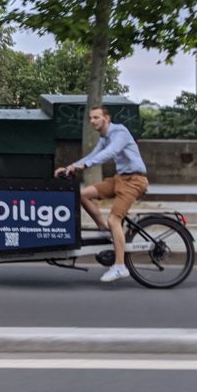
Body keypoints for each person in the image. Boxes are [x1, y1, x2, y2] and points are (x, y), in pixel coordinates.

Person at [54, 105, 148, 283]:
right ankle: (105, 231)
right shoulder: (104, 137)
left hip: (134, 180)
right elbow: (93, 155)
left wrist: (86, 166)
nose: (92, 121)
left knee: (115, 220)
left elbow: (110, 153)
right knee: (83, 195)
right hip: (119, 179)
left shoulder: (120, 132)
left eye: (96, 117)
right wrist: (69, 168)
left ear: (107, 118)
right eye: (91, 118)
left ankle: (120, 267)